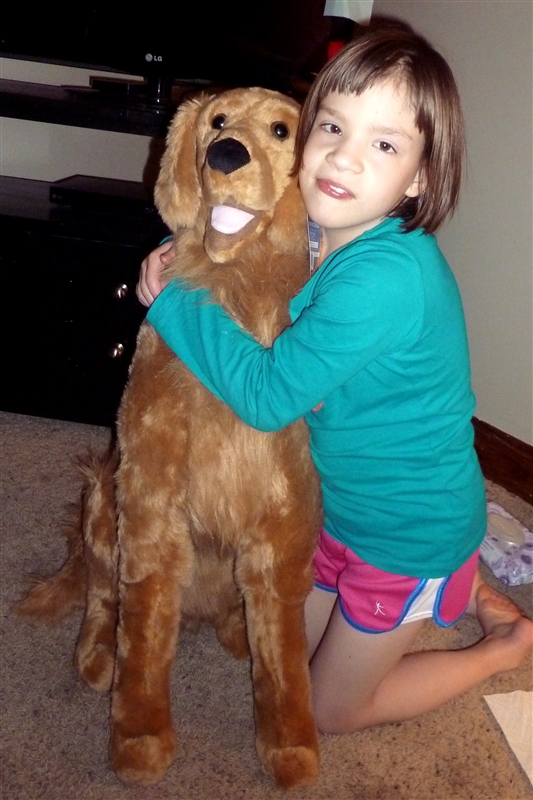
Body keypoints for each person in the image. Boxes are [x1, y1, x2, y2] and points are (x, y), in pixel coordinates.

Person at [137, 21, 532, 734]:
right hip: (340, 512)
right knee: (281, 645)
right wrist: (183, 253)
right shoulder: (324, 229)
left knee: (322, 708)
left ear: (419, 177)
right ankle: (468, 584)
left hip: (407, 532)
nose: (343, 157)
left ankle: (498, 647)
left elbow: (266, 396)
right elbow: (244, 234)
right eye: (332, 126)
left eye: (383, 145)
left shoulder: (383, 279)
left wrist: (173, 303)